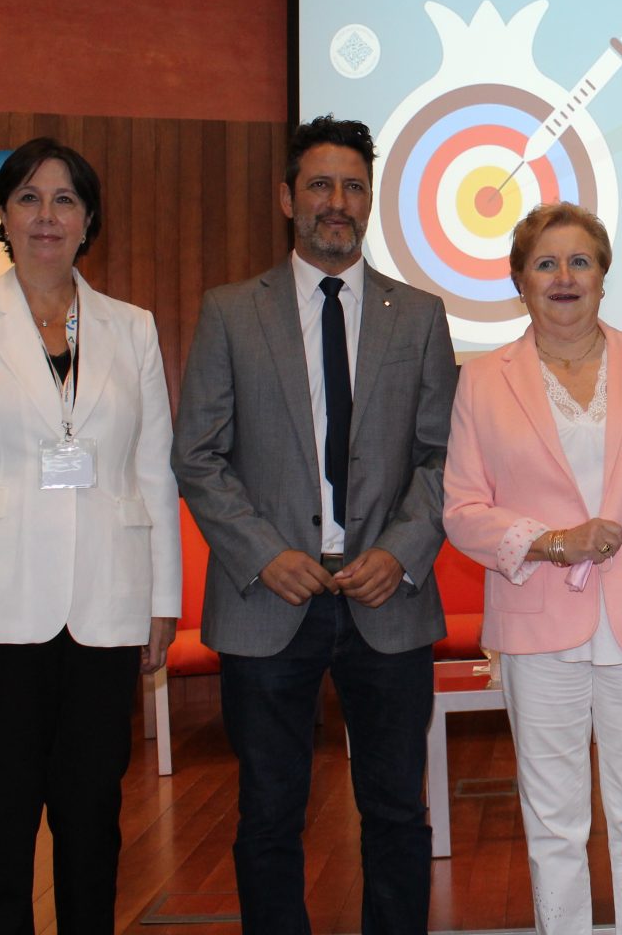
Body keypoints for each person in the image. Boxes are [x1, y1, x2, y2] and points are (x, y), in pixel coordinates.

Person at [172, 115, 456, 935]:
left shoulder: (420, 315)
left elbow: (445, 456)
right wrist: (265, 555)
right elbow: (198, 455)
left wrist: (399, 551)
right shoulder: (231, 312)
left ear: (371, 201)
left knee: (397, 811)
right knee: (268, 813)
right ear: (287, 197)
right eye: (321, 185)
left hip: (387, 599)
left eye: (354, 187)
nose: (338, 201)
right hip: (270, 600)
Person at [0, 137, 180, 934]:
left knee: (92, 817)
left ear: (89, 221)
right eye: (28, 198)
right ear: (4, 215)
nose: (46, 216)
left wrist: (162, 602)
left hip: (105, 608)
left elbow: (152, 472)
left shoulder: (132, 329)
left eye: (64, 200)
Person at [442, 201, 622, 935]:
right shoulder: (483, 379)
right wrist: (553, 541)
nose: (564, 277)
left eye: (580, 262)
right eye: (545, 263)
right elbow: (462, 510)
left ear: (603, 275)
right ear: (519, 282)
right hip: (537, 626)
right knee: (554, 821)